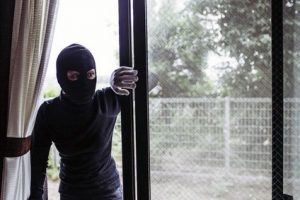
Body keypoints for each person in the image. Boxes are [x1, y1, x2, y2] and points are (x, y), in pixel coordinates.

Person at [29, 43, 148, 200]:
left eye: (91, 75)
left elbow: (150, 80)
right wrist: (36, 195)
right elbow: (38, 157)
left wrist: (117, 76)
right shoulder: (49, 111)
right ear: (61, 76)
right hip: (72, 193)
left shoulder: (107, 100)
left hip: (108, 191)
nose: (84, 82)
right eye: (74, 76)